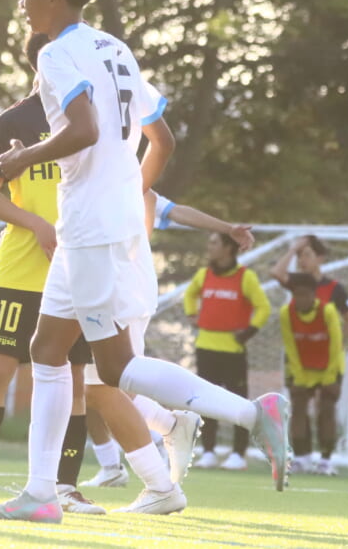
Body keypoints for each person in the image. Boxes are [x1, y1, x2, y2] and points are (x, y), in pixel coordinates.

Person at [0, 0, 290, 524]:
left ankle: (254, 414)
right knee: (47, 350)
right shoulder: (115, 48)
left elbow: (85, 129)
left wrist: (23, 159)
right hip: (97, 224)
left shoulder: (54, 54)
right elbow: (160, 138)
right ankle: (41, 495)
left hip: (90, 226)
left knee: (113, 369)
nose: (21, 0)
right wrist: (127, 192)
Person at [0, 32, 103, 515]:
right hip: (20, 269)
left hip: (77, 268)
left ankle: (66, 487)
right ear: (41, 62)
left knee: (74, 376)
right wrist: (36, 224)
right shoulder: (14, 120)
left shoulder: (91, 118)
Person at [82, 192, 254, 487]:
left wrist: (227, 229)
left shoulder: (127, 181)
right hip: (94, 289)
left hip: (122, 294)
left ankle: (168, 440)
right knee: (88, 385)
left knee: (107, 383)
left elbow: (173, 209)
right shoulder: (84, 181)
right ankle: (118, 462)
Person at [183, 232, 271, 471]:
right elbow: (189, 294)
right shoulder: (204, 275)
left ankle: (238, 454)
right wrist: (192, 314)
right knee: (205, 402)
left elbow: (263, 307)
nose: (209, 246)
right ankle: (208, 451)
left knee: (238, 402)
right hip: (205, 347)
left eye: (214, 243)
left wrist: (249, 331)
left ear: (228, 248)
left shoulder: (246, 277)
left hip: (233, 350)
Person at [279, 273, 345, 475]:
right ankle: (301, 458)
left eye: (305, 295)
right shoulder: (286, 313)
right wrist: (299, 377)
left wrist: (329, 378)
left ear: (314, 294)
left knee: (326, 410)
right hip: (302, 369)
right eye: (297, 295)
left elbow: (336, 346)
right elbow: (290, 347)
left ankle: (326, 460)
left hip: (329, 368)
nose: (301, 299)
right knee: (298, 409)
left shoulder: (328, 311)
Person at [271, 235, 348, 342]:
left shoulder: (334, 287)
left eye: (307, 255)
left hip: (324, 349)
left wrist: (336, 343)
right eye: (299, 256)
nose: (302, 260)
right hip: (299, 349)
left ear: (320, 258)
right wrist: (293, 249)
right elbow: (276, 272)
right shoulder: (297, 282)